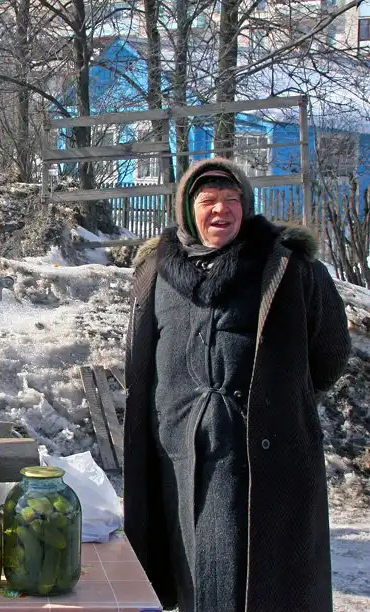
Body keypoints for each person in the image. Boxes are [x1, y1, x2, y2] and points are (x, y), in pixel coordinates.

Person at [123, 157, 351, 612]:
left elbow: (330, 352)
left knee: (263, 581)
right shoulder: (157, 270)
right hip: (180, 453)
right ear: (188, 211)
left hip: (262, 454)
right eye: (208, 201)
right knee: (193, 570)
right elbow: (137, 356)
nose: (220, 210)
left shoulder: (287, 266)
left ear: (246, 206)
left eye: (231, 199)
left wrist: (279, 401)